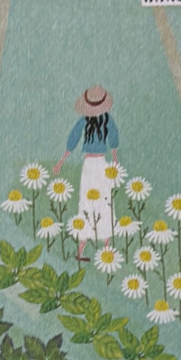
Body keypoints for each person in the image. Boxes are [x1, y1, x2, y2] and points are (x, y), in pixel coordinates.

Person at [54, 85, 119, 242]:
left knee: (88, 200)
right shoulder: (108, 119)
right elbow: (114, 141)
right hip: (101, 162)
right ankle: (105, 244)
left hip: (90, 163)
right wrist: (115, 161)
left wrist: (61, 161)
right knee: (105, 199)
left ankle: (85, 243)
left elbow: (72, 140)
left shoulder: (84, 120)